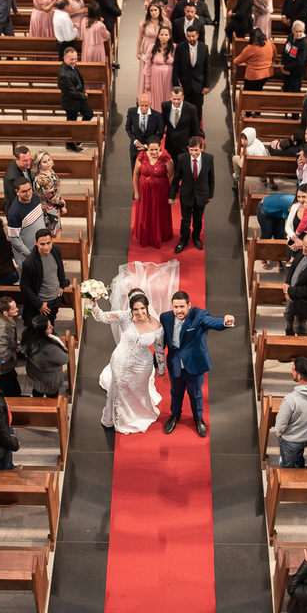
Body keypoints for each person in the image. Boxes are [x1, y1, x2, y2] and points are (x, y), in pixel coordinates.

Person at [160, 290, 235, 437]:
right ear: (172, 306)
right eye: (176, 307)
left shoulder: (199, 315)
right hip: (175, 364)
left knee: (195, 394)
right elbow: (161, 341)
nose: (179, 310)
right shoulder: (165, 317)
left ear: (189, 305)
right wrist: (158, 362)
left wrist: (225, 322)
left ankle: (198, 418)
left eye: (182, 306)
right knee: (176, 392)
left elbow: (212, 322)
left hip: (195, 364)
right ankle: (175, 415)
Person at [92, 288, 165, 433]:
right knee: (120, 388)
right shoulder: (124, 316)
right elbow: (101, 317)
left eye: (142, 308)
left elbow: (159, 349)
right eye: (135, 309)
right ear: (130, 309)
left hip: (142, 366)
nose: (139, 312)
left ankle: (140, 413)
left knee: (138, 391)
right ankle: (121, 419)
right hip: (121, 361)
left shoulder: (157, 326)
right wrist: (93, 304)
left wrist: (160, 369)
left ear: (147, 307)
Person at [169, 136, 214, 254]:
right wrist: (172, 195)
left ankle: (196, 237)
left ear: (201, 148)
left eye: (196, 150)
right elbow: (176, 177)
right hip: (186, 194)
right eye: (191, 150)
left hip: (202, 194)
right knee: (185, 219)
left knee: (198, 219)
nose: (193, 153)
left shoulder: (209, 158)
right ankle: (183, 240)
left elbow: (211, 178)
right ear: (188, 149)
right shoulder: (182, 158)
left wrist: (210, 194)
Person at [20, 229, 69, 326]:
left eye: (48, 243)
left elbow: (60, 269)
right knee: (41, 329)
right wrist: (39, 304)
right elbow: (24, 286)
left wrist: (62, 285)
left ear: (52, 241)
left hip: (56, 297)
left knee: (51, 322)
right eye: (42, 244)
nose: (46, 247)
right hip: (43, 302)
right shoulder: (29, 263)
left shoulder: (55, 249)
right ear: (36, 243)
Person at [133, 139, 174, 248]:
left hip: (161, 191)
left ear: (160, 148)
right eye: (151, 150)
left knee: (159, 211)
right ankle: (144, 234)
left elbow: (172, 176)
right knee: (145, 211)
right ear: (148, 148)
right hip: (144, 190)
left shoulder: (166, 158)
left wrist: (172, 194)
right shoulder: (141, 156)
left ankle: (160, 235)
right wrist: (136, 192)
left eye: (156, 150)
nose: (154, 152)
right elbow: (136, 174)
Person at [20, 313, 68, 397]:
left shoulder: (27, 337)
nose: (52, 327)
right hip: (49, 381)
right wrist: (65, 351)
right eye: (49, 327)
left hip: (35, 376)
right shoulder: (49, 349)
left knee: (37, 394)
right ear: (42, 332)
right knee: (52, 400)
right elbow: (65, 359)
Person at [6, 179, 47, 269]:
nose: (28, 193)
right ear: (17, 192)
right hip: (27, 255)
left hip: (39, 248)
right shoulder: (14, 213)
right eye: (24, 191)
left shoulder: (35, 198)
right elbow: (14, 239)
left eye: (29, 189)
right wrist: (29, 254)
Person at [58, 47, 93, 151]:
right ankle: (70, 144)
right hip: (71, 102)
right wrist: (83, 95)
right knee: (71, 123)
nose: (74, 61)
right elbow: (70, 92)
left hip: (79, 99)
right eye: (71, 59)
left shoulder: (72, 66)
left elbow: (77, 81)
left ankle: (78, 136)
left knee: (89, 114)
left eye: (75, 59)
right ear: (65, 58)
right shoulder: (63, 74)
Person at [173, 26, 210, 115]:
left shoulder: (204, 48)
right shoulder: (180, 47)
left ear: (197, 35)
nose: (191, 38)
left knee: (198, 109)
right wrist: (176, 85)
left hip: (199, 85)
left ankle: (197, 128)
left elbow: (207, 68)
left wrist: (206, 85)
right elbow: (176, 67)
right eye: (189, 36)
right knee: (184, 109)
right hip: (185, 85)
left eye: (193, 36)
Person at [161, 87, 203, 163]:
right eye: (174, 99)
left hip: (184, 146)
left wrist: (193, 146)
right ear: (170, 97)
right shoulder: (165, 106)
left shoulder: (191, 109)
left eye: (178, 99)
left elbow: (195, 130)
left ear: (183, 97)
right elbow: (162, 125)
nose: (176, 102)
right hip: (170, 144)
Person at [126, 93, 165, 170]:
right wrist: (135, 141)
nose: (144, 108)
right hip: (135, 148)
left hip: (151, 150)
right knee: (135, 171)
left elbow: (160, 133)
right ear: (138, 103)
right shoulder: (132, 112)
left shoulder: (157, 115)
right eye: (142, 105)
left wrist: (148, 145)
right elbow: (128, 128)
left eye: (146, 105)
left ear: (150, 104)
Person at [33, 152, 66, 237]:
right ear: (39, 165)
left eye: (49, 160)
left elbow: (56, 190)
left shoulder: (50, 170)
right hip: (49, 211)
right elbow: (52, 198)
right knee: (52, 234)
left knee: (58, 230)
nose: (48, 163)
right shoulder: (42, 179)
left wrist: (60, 201)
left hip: (55, 207)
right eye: (44, 162)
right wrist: (62, 204)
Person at [233, 28, 276, 92]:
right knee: (258, 89)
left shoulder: (251, 48)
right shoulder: (269, 43)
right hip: (266, 74)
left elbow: (237, 61)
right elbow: (274, 57)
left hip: (253, 76)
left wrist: (235, 59)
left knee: (248, 92)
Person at [80, 3, 111, 89]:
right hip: (96, 49)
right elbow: (106, 35)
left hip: (86, 47)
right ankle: (97, 89)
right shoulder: (99, 25)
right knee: (97, 70)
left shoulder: (83, 21)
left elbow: (81, 35)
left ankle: (88, 88)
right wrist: (101, 23)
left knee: (88, 69)